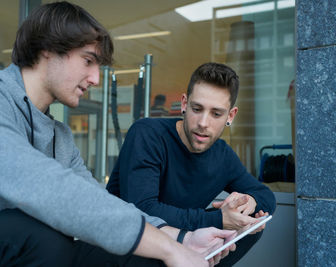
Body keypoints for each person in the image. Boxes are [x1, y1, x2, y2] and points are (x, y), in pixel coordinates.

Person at [0, 3, 239, 267]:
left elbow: (96, 201)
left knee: (126, 252)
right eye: (88, 60)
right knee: (41, 235)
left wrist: (181, 239)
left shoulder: (59, 135)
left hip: (13, 241)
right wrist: (169, 248)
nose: (95, 78)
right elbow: (44, 189)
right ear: (48, 49)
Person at [107, 62, 277, 266]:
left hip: (181, 243)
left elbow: (266, 197)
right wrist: (218, 219)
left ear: (230, 116)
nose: (203, 123)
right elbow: (143, 209)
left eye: (216, 114)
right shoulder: (148, 134)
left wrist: (248, 202)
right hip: (126, 246)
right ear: (184, 104)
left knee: (247, 228)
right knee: (224, 224)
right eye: (197, 109)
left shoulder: (222, 155)